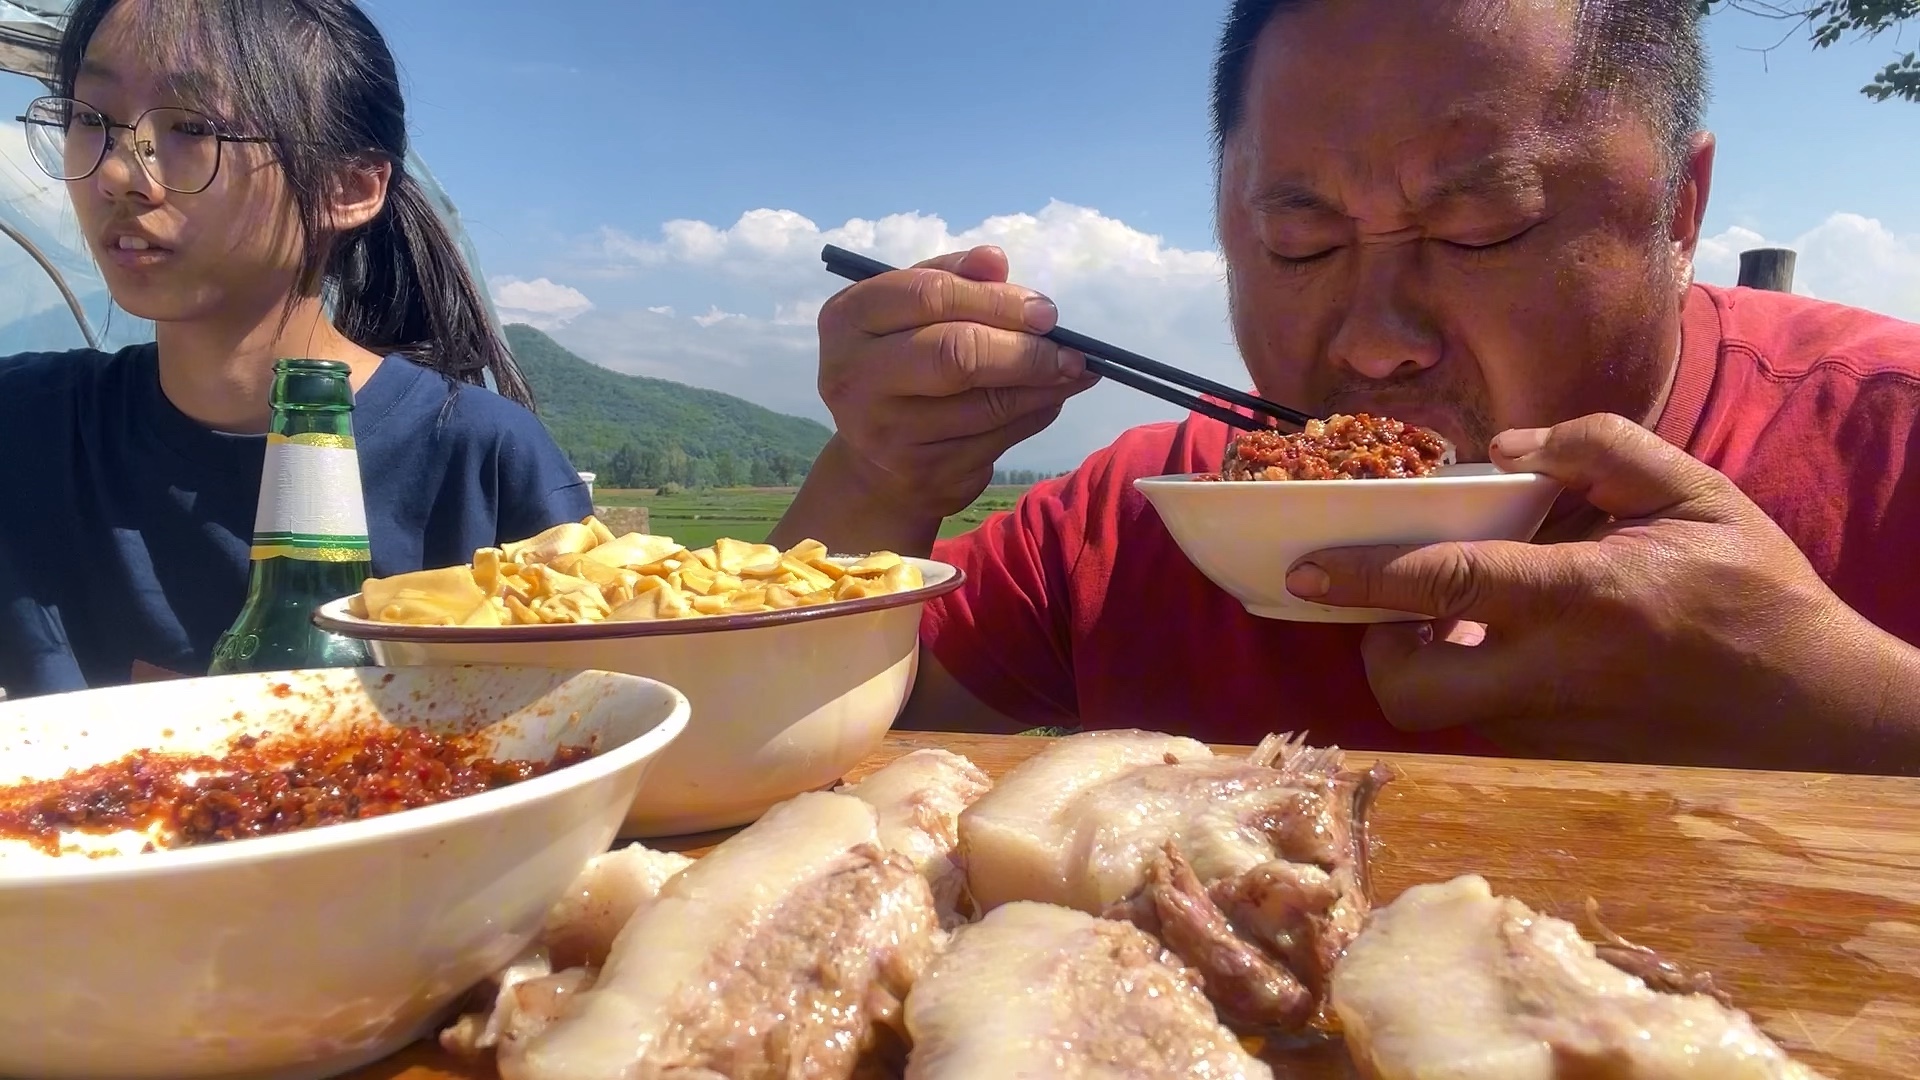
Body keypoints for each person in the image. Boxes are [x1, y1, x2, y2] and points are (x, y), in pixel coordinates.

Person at [771, 0, 1920, 775]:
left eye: (1481, 229)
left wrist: (1851, 708)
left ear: (1679, 208)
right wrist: (876, 477)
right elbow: (787, 752)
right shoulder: (1140, 522)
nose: (1375, 346)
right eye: (1303, 244)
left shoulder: (1885, 443)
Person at [0, 0, 590, 697]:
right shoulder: (23, 430)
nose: (116, 175)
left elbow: (595, 730)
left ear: (349, 187)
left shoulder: (479, 464)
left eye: (192, 127)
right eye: (90, 119)